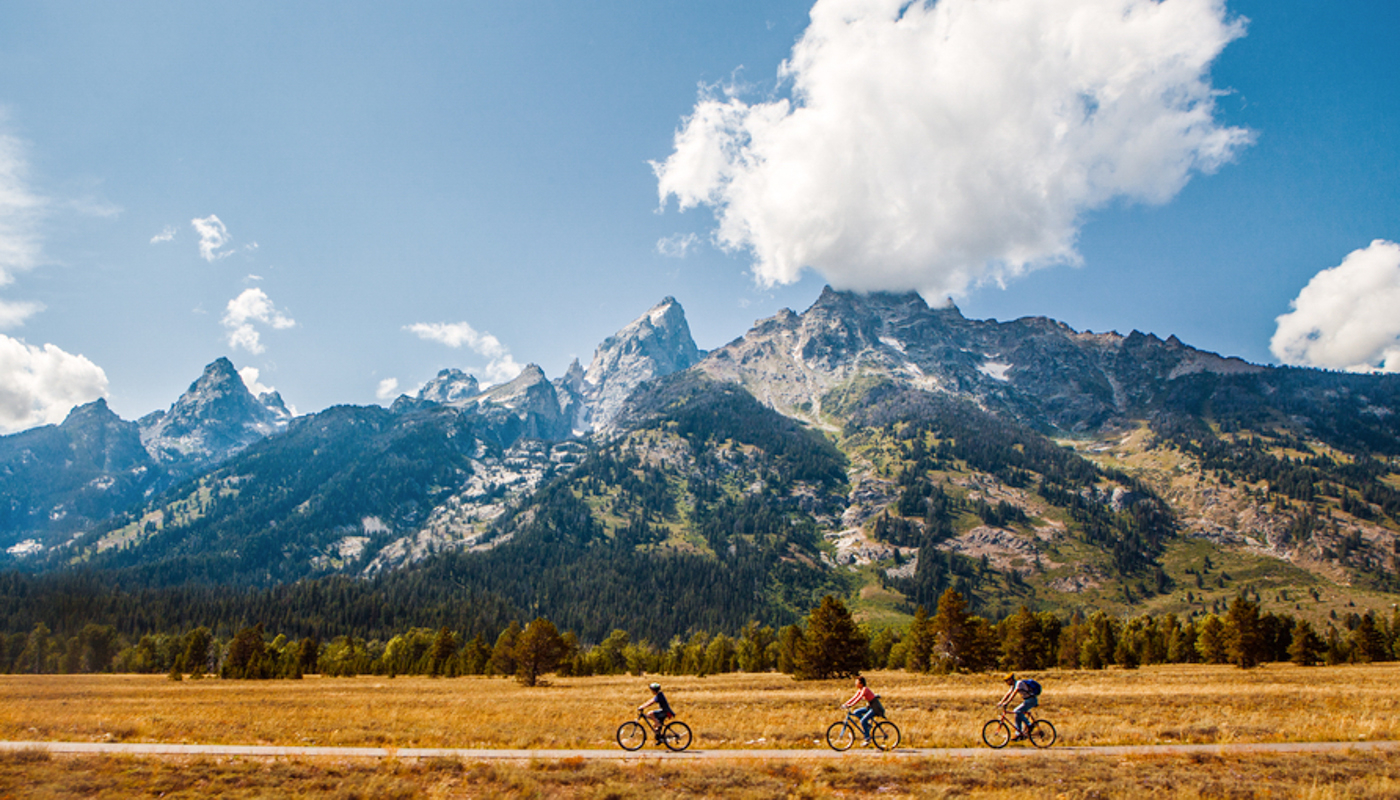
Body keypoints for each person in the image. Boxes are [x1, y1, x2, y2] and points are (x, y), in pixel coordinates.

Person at [842, 675, 884, 746]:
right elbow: (854, 698)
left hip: (875, 708)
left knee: (862, 721)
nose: (855, 684)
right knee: (856, 712)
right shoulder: (860, 690)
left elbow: (858, 698)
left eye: (857, 683)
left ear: (861, 683)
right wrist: (845, 704)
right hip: (870, 707)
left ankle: (867, 738)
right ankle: (867, 725)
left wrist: (850, 705)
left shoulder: (865, 689)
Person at [997, 673, 1041, 740]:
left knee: (1016, 710)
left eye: (1007, 681)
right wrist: (1001, 702)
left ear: (1011, 679)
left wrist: (1007, 702)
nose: (1007, 683)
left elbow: (1014, 693)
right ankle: (1018, 734)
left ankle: (1029, 725)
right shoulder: (1013, 685)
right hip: (1027, 700)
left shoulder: (1019, 683)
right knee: (1017, 715)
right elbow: (1008, 694)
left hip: (1031, 700)